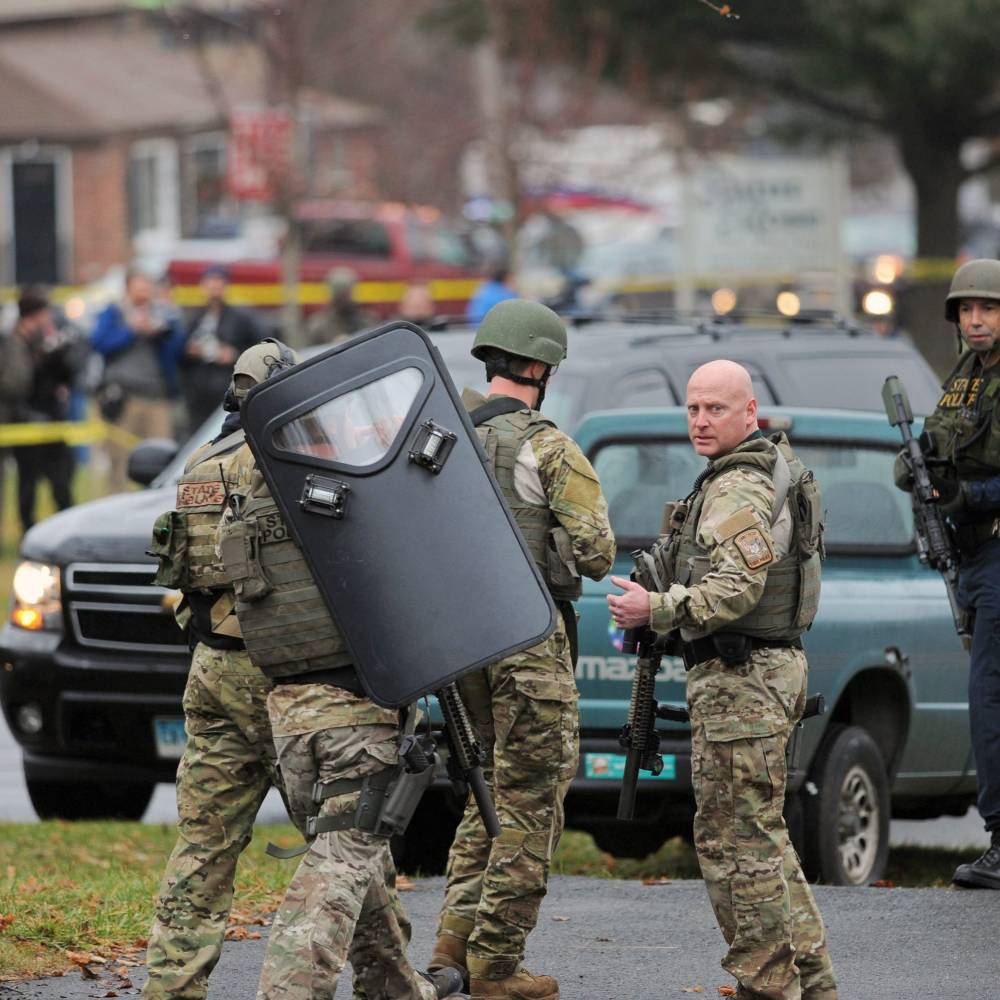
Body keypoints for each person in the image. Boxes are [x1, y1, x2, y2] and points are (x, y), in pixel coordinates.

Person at [608, 360, 837, 1000]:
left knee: (736, 848)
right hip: (756, 676)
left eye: (715, 409)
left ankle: (769, 985)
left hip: (744, 680)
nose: (701, 421)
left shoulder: (739, 487)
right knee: (763, 841)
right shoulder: (759, 470)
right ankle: (811, 983)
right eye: (693, 409)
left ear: (749, 413)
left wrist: (654, 609)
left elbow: (737, 588)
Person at [215, 424, 464, 1000]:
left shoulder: (251, 501)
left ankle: (396, 989)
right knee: (339, 867)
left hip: (290, 718)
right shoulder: (351, 502)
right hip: (355, 713)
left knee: (357, 859)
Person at [428, 299, 615, 1000]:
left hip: (460, 643)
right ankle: (496, 967)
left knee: (488, 795)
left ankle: (452, 945)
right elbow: (597, 553)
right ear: (539, 367)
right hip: (530, 644)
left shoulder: (440, 440)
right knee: (532, 805)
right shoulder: (550, 446)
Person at [142, 341, 299, 1000]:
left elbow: (179, 578)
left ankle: (171, 987)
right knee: (346, 842)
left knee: (204, 846)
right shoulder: (281, 462)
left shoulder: (200, 465)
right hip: (288, 675)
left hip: (212, 668)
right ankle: (389, 979)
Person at [893, 258, 1000, 890]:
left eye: (988, 308)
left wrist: (968, 497)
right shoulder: (964, 375)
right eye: (966, 309)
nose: (977, 319)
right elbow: (937, 445)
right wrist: (919, 469)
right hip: (974, 557)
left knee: (989, 697)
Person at [91, 267, 186, 492]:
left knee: (162, 459)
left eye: (147, 287)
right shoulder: (115, 313)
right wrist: (131, 330)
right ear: (128, 288)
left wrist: (163, 330)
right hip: (124, 398)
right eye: (139, 287)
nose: (144, 292)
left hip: (157, 397)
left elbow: (177, 350)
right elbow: (99, 343)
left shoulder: (162, 313)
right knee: (119, 461)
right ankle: (115, 510)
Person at [0, 289, 85, 533]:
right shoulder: (13, 345)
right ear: (32, 317)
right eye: (44, 315)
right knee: (28, 485)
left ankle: (68, 532)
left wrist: (59, 355)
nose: (48, 320)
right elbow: (14, 386)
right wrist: (39, 359)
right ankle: (29, 534)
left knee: (62, 483)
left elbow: (68, 377)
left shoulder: (50, 341)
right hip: (25, 423)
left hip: (52, 420)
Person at [181, 265, 262, 435]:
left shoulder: (241, 318)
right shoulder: (193, 318)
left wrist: (233, 355)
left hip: (228, 389)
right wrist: (190, 352)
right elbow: (179, 355)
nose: (214, 288)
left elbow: (259, 348)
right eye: (210, 283)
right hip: (198, 392)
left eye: (218, 283)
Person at [305, 266, 377, 347]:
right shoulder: (318, 326)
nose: (345, 299)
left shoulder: (367, 321)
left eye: (347, 294)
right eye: (342, 295)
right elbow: (311, 353)